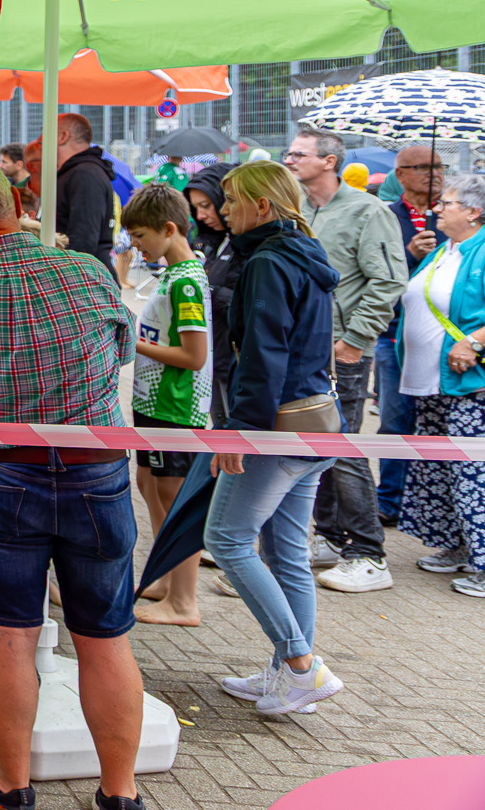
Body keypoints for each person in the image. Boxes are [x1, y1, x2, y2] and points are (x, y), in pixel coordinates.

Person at [0, 154, 146, 810]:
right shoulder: (87, 270)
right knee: (106, 633)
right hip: (96, 469)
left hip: (2, 471)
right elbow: (120, 351)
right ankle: (120, 792)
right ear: (17, 198)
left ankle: (13, 786)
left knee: (9, 630)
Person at [205, 162, 346, 714]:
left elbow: (263, 357)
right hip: (317, 420)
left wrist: (241, 433)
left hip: (281, 426)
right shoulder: (303, 254)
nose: (224, 210)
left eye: (233, 200)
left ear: (263, 206)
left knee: (228, 540)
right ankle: (289, 674)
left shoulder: (266, 262)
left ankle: (299, 667)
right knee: (284, 552)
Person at [287, 129, 405, 592]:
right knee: (316, 446)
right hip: (307, 347)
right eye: (290, 152)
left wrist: (354, 340)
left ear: (330, 160)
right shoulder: (298, 209)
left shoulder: (368, 211)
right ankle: (334, 538)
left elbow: (388, 281)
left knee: (343, 446)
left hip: (343, 351)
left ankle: (368, 553)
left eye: (300, 153)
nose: (290, 159)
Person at [396, 173, 485, 598]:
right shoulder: (447, 247)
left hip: (472, 382)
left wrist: (474, 342)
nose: (437, 207)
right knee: (440, 467)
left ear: (474, 211)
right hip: (433, 380)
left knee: (478, 472)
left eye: (448, 203)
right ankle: (459, 545)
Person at [120, 184, 212, 628]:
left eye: (139, 236)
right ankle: (165, 577)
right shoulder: (173, 275)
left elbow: (195, 357)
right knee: (149, 486)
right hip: (150, 401)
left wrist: (133, 344)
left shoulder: (188, 281)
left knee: (173, 497)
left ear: (169, 229)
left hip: (175, 406)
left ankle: (184, 600)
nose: (134, 245)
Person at [376, 144, 443, 525]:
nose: (433, 173)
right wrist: (408, 253)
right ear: (400, 175)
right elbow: (379, 269)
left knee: (436, 423)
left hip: (444, 337)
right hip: (394, 335)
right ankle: (390, 501)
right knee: (395, 419)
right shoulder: (386, 216)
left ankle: (429, 505)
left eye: (438, 166)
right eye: (422, 167)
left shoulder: (456, 216)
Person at [185, 164, 241, 422]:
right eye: (195, 208)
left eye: (206, 205)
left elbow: (250, 303)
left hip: (234, 364)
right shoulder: (209, 241)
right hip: (213, 358)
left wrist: (209, 291)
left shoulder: (248, 245)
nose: (201, 214)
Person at [55, 113, 117, 268]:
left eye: (46, 132)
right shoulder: (79, 171)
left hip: (83, 278)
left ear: (62, 136)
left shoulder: (84, 174)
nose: (41, 141)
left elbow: (83, 240)